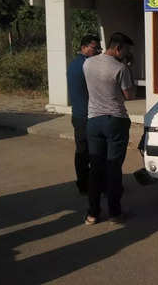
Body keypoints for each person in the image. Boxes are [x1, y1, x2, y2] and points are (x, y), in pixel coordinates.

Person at [83, 32, 135, 225]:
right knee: (113, 168)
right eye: (126, 50)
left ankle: (92, 214)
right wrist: (129, 69)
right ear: (118, 48)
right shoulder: (121, 68)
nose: (127, 53)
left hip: (93, 121)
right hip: (115, 121)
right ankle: (115, 213)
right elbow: (129, 95)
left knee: (96, 168)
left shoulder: (87, 63)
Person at [66, 34, 100, 195]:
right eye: (94, 48)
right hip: (86, 116)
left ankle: (83, 184)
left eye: (98, 48)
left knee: (82, 151)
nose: (97, 51)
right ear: (84, 47)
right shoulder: (86, 65)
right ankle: (93, 185)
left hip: (79, 115)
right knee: (91, 152)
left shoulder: (74, 64)